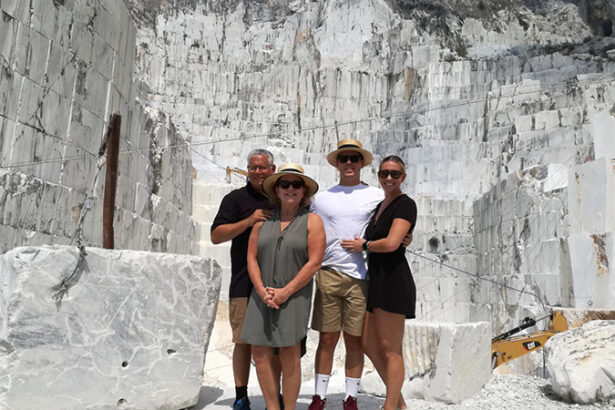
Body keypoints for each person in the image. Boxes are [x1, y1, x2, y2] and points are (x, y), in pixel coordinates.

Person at [240, 163, 325, 410]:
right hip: (261, 294)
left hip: (295, 295)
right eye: (284, 184)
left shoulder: (313, 221)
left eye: (296, 184)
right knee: (259, 352)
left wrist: (286, 291)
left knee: (290, 354)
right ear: (276, 190)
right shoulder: (261, 222)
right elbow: (252, 257)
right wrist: (260, 289)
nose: (290, 189)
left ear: (304, 191)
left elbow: (314, 262)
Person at [308, 139, 384, 410]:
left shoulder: (376, 195)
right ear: (337, 164)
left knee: (354, 340)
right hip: (328, 272)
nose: (349, 163)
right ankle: (319, 396)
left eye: (354, 158)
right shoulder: (322, 198)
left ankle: (350, 396)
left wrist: (405, 236)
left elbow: (390, 222)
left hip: (360, 277)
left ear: (362, 163)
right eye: (344, 159)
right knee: (327, 338)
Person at [341, 155, 417, 410]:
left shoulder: (405, 204)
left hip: (393, 280)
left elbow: (393, 242)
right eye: (384, 173)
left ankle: (389, 406)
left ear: (403, 178)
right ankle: (399, 404)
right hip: (377, 280)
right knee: (368, 344)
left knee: (390, 349)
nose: (388, 178)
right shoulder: (380, 206)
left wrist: (366, 245)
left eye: (395, 174)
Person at [210, 149, 277, 410]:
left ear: (273, 169)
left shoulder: (284, 195)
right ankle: (241, 395)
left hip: (277, 283)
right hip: (243, 281)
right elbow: (216, 235)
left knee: (277, 343)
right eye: (253, 168)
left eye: (263, 167)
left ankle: (275, 394)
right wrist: (249, 221)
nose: (258, 172)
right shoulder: (235, 199)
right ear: (247, 170)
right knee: (242, 341)